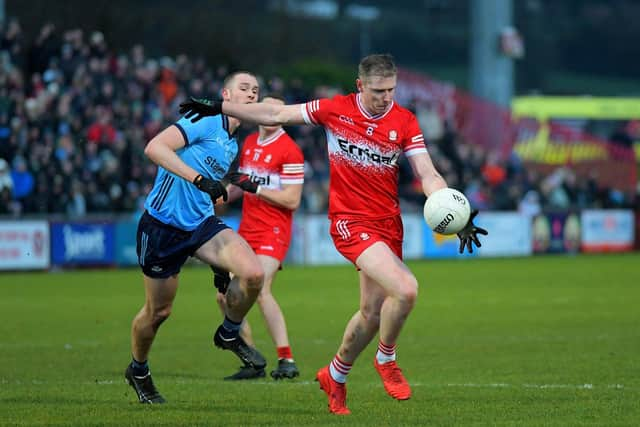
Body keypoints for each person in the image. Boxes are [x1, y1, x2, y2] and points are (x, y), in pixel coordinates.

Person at [179, 54, 487, 415]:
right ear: (360, 85)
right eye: (377, 91)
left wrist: (453, 207)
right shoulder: (334, 110)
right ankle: (386, 358)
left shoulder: (404, 121)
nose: (385, 97)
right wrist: (222, 107)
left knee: (371, 312)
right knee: (405, 290)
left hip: (388, 224)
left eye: (391, 90)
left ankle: (335, 375)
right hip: (350, 222)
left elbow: (427, 171)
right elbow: (276, 115)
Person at [125, 71, 267, 404]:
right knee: (158, 313)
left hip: (200, 225)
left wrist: (218, 264)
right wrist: (200, 178)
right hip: (162, 227)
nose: (251, 94)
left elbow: (211, 197)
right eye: (243, 88)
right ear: (225, 95)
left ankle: (229, 333)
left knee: (253, 274)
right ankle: (138, 369)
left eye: (256, 91)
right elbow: (154, 147)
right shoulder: (204, 119)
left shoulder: (231, 144)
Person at [216, 93, 305, 381]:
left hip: (274, 229)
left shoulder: (290, 151)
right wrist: (218, 195)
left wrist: (254, 187)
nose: (268, 114)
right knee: (225, 295)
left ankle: (286, 358)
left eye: (274, 110)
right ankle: (250, 357)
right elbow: (242, 185)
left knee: (261, 289)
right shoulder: (250, 143)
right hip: (248, 228)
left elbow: (292, 200)